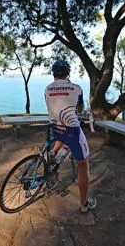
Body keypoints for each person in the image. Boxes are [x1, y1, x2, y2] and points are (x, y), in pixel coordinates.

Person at [44, 60, 97, 213]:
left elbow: (50, 105)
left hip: (56, 128)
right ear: (68, 73)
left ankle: (53, 153)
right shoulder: (76, 88)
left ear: (53, 74)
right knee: (83, 165)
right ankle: (84, 204)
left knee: (62, 134)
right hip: (72, 131)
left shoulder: (47, 89)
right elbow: (79, 108)